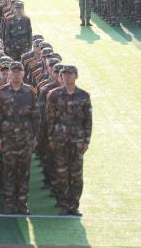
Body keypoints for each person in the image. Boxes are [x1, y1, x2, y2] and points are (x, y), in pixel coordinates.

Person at [0, 61, 39, 215]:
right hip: (8, 138)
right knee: (9, 172)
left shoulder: (30, 92)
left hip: (25, 138)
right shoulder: (1, 92)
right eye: (14, 72)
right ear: (9, 74)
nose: (16, 74)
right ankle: (9, 204)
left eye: (19, 72)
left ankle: (22, 204)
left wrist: (35, 137)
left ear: (23, 74)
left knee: (24, 172)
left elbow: (36, 117)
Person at [46, 65, 91, 215]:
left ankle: (74, 205)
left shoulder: (84, 96)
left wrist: (87, 140)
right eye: (65, 74)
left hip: (77, 140)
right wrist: (50, 138)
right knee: (61, 174)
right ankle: (65, 204)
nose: (67, 77)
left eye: (70, 74)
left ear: (76, 76)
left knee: (76, 175)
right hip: (60, 140)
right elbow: (50, 118)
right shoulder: (54, 95)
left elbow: (88, 120)